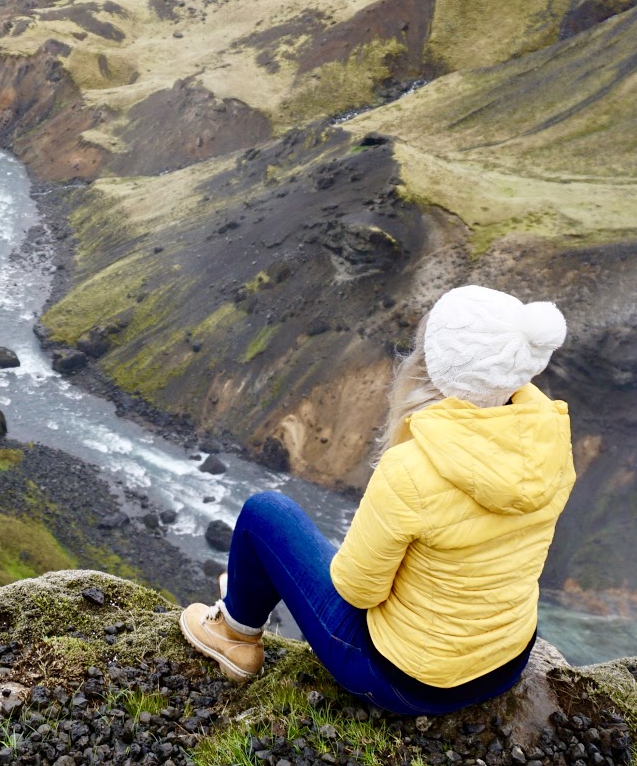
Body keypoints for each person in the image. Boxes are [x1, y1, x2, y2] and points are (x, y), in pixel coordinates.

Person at [179, 286, 575, 715]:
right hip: (504, 662)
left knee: (267, 515)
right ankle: (248, 594)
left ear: (438, 363)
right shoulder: (551, 438)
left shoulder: (412, 468)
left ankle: (234, 635)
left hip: (407, 682)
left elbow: (359, 589)